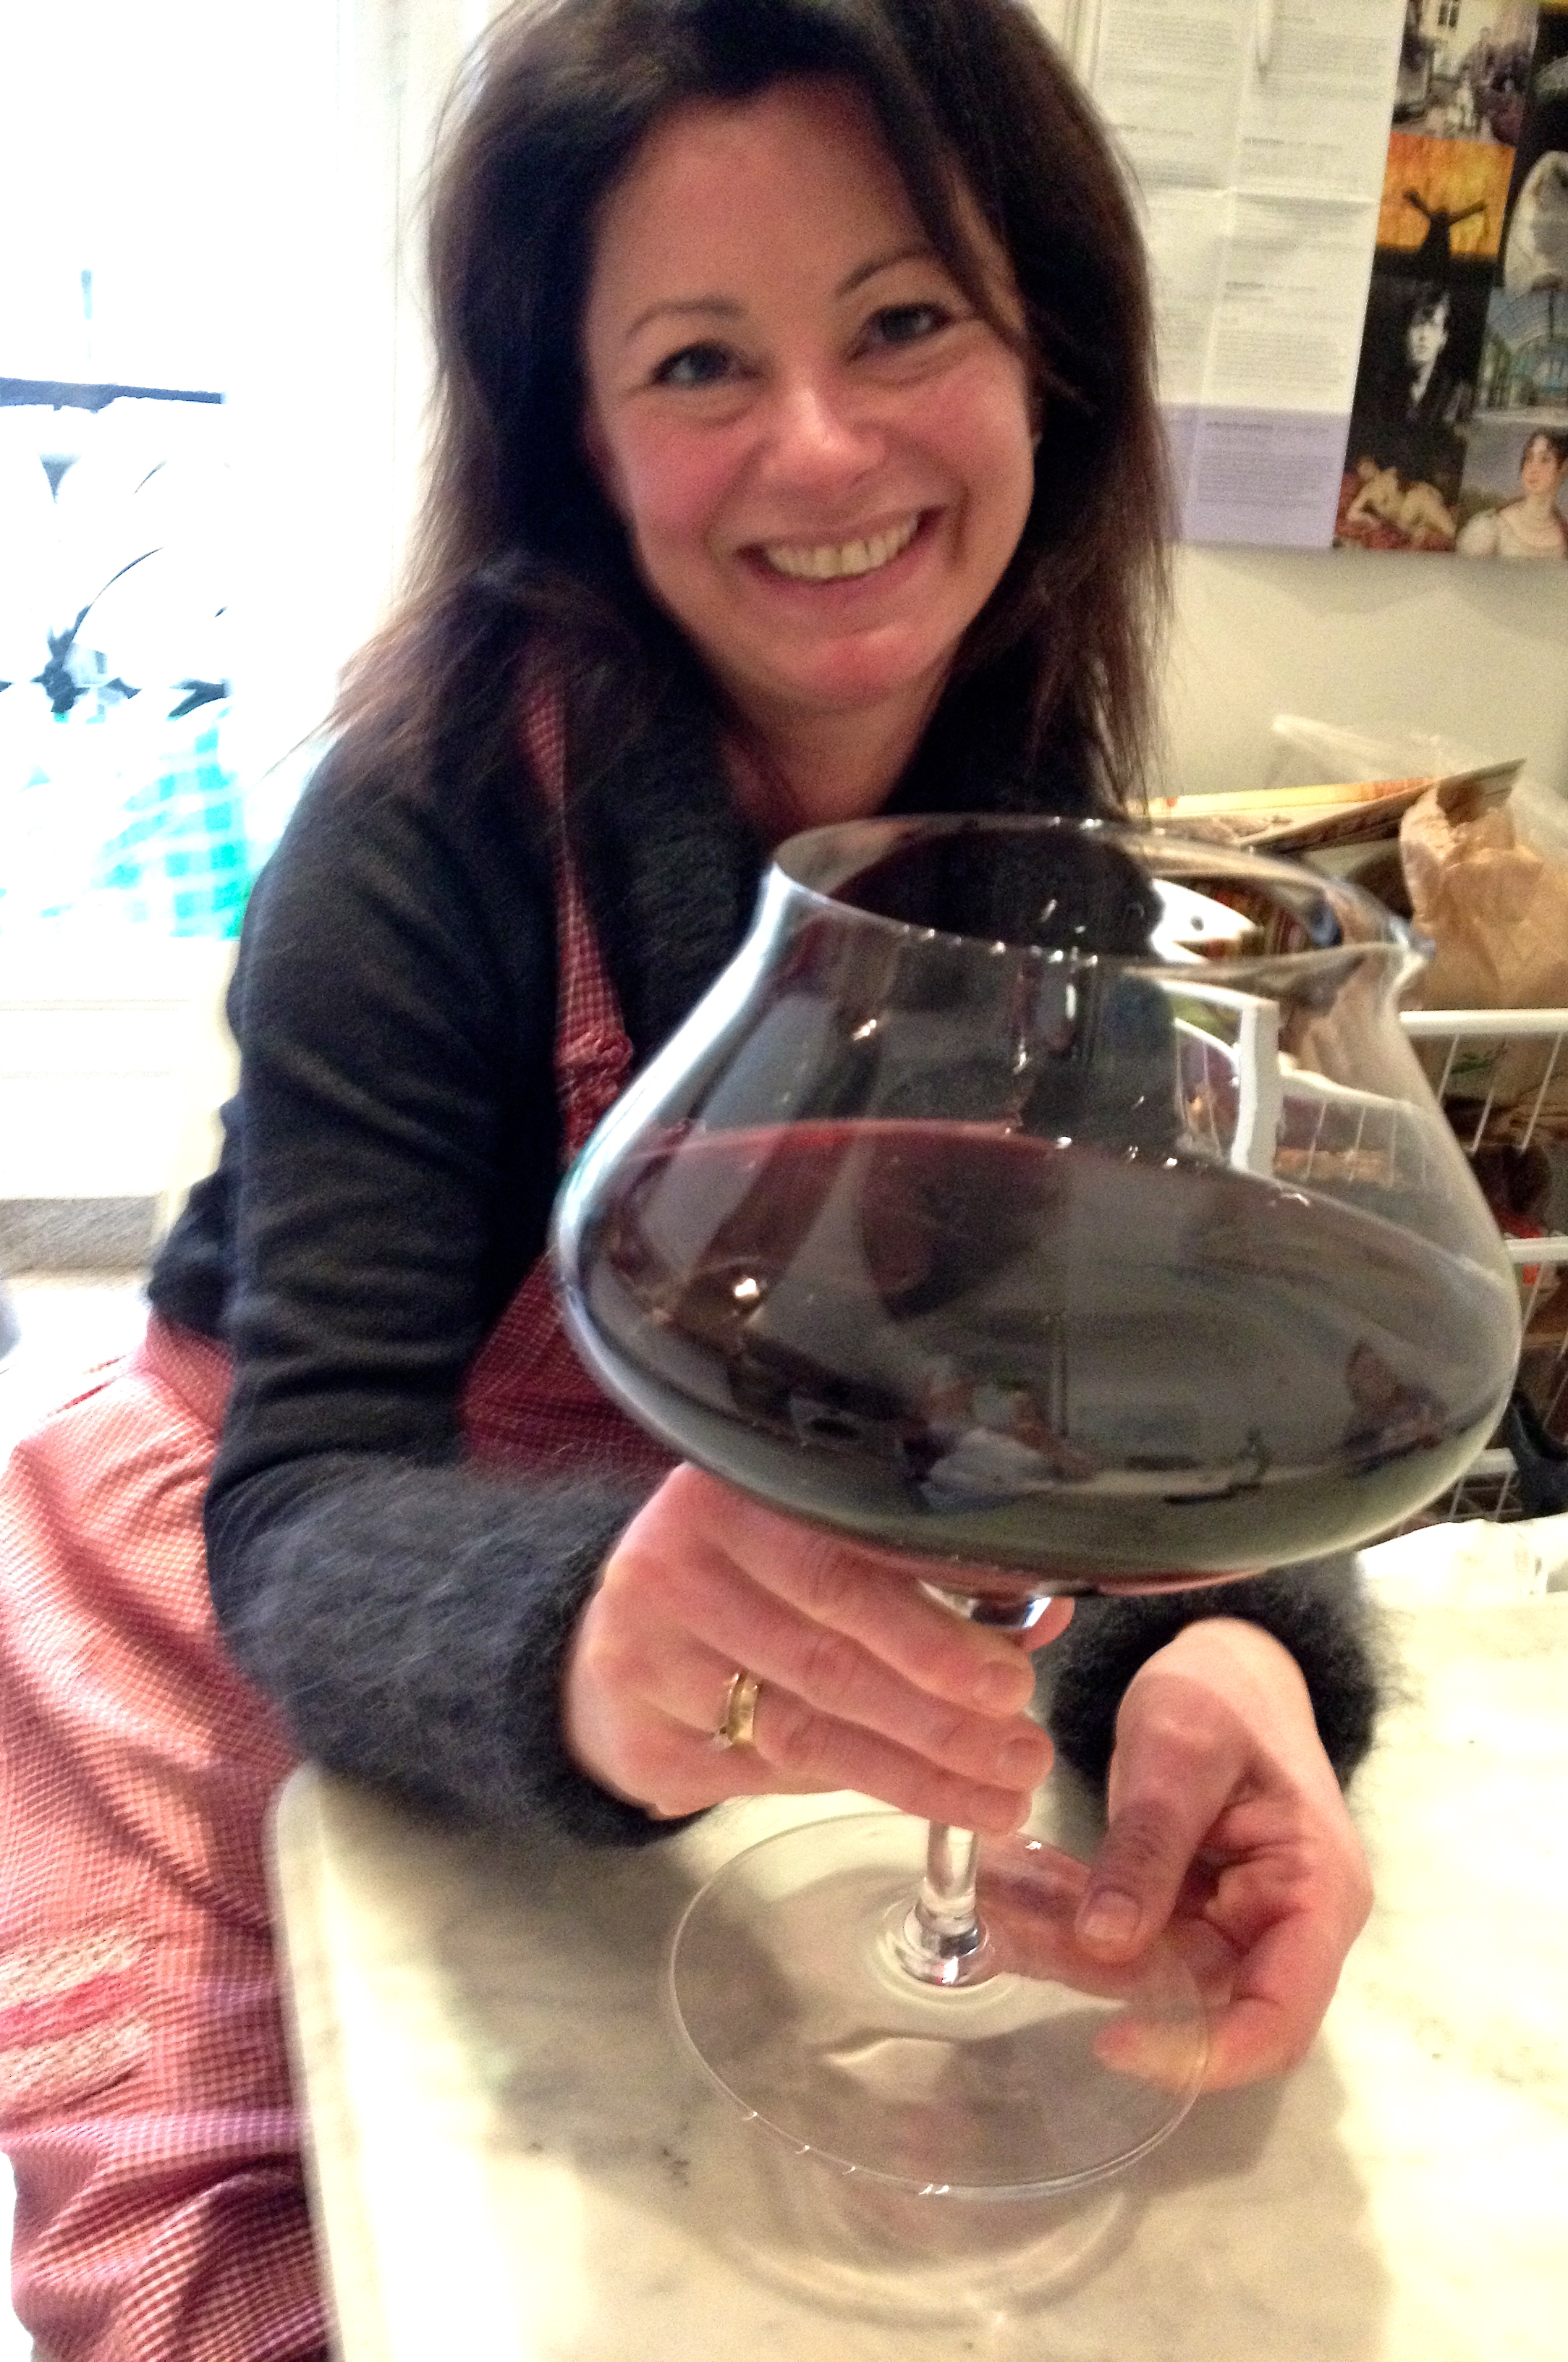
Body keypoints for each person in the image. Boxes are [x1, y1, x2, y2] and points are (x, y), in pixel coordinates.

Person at [0, 4, 1379, 2355]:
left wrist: (1231, 1646)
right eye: (697, 361)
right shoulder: (419, 821)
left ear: (1043, 345)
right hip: (241, 1635)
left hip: (738, 1673)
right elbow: (303, 1504)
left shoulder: (1043, 845)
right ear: (577, 429)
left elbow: (1090, 1381)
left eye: (900, 320)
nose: (816, 446)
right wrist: (580, 1641)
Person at [1457, 428, 1568, 557]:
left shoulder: (1564, 537)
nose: (1533, 469)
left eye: (1545, 460)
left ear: (1564, 467)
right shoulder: (1491, 527)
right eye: (1529, 458)